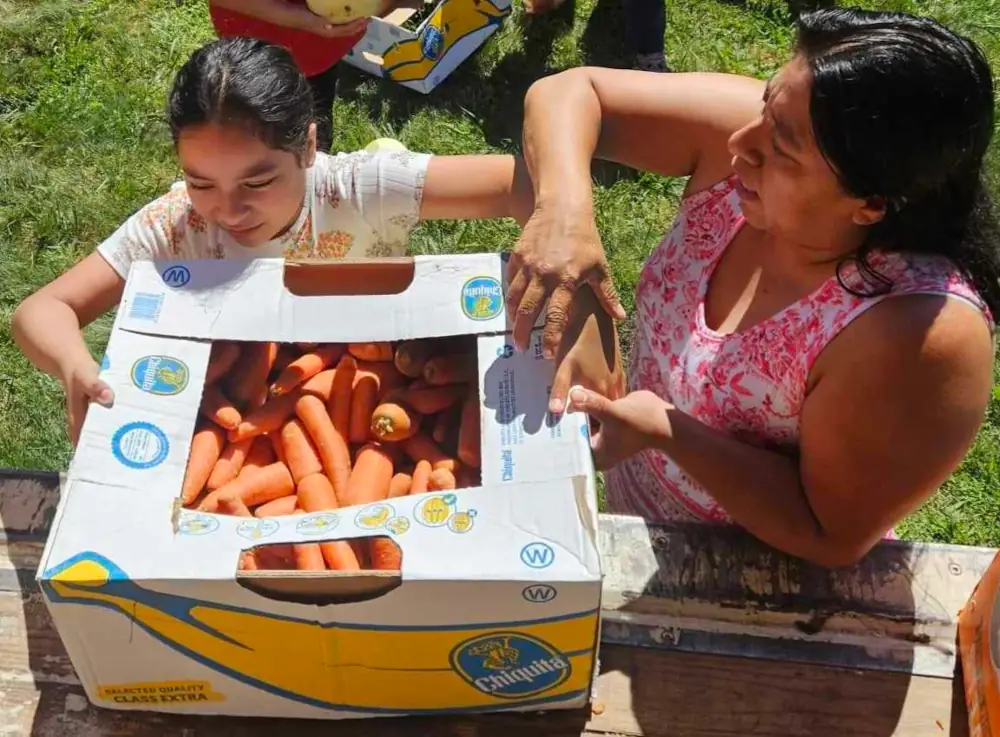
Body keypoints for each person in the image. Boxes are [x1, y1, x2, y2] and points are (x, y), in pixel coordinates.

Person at [507, 8, 1000, 567]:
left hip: (749, 587)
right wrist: (566, 208)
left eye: (782, 148)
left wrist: (668, 432)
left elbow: (828, 532)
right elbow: (570, 90)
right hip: (634, 524)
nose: (740, 141)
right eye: (767, 103)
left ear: (870, 205)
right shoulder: (782, 124)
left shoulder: (916, 335)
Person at [11, 36, 535, 446]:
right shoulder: (177, 226)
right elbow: (41, 310)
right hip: (242, 415)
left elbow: (524, 185)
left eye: (258, 183)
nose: (228, 210)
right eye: (200, 182)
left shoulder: (357, 189)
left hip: (385, 387)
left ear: (308, 147)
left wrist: (562, 240)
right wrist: (76, 366)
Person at [208, 0, 382, 151]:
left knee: (312, 132)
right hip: (257, 45)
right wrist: (305, 20)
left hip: (319, 47)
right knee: (252, 138)